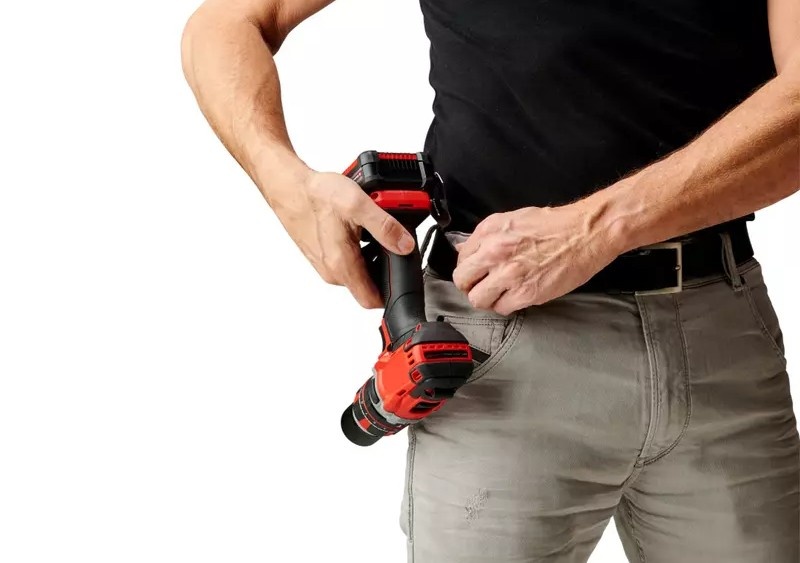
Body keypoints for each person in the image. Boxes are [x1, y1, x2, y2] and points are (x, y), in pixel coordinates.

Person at [181, 0, 800, 560]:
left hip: (719, 340)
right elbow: (226, 22)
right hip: (500, 346)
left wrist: (596, 228)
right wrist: (286, 184)